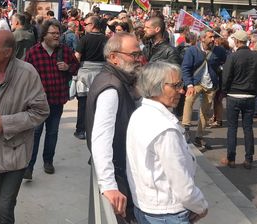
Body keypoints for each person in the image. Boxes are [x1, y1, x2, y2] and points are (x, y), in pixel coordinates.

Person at [0, 30, 49, 224]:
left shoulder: (27, 73)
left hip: (17, 150)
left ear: (8, 52)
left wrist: (6, 123)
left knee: (5, 205)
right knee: (2, 201)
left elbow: (41, 112)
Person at [126, 62, 208, 224]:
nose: (181, 90)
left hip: (145, 205)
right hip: (167, 212)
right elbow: (181, 182)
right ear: (156, 86)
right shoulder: (165, 128)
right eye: (175, 86)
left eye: (181, 84)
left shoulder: (140, 114)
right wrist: (200, 205)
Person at [85, 33, 142, 222]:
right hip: (118, 175)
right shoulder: (111, 87)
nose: (138, 59)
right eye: (133, 55)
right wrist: (109, 184)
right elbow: (101, 138)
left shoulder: (119, 80)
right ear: (114, 57)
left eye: (139, 53)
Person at [23, 20, 79, 179]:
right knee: (35, 133)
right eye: (53, 33)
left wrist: (68, 68)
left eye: (58, 33)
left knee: (52, 133)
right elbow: (24, 75)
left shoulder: (65, 51)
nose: (57, 36)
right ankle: (29, 167)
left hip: (57, 99)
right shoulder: (34, 52)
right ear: (44, 35)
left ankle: (48, 161)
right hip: (37, 103)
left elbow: (76, 67)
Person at [220, 30, 257, 169]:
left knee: (232, 128)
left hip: (234, 95)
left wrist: (225, 90)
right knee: (248, 128)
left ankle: (231, 158)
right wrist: (256, 92)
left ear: (237, 41)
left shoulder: (233, 57)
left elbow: (226, 76)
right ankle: (248, 159)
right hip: (250, 96)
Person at [181, 29, 226, 150]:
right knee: (189, 100)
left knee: (205, 111)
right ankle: (185, 128)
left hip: (211, 85)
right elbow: (185, 68)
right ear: (202, 39)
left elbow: (226, 63)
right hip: (196, 83)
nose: (213, 39)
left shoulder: (219, 51)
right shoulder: (192, 50)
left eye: (213, 37)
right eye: (210, 37)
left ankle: (199, 136)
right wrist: (189, 85)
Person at [74, 15, 107, 139]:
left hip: (85, 74)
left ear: (92, 25)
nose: (84, 26)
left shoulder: (84, 39)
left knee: (83, 104)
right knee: (98, 104)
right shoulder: (106, 39)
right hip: (101, 75)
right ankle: (95, 130)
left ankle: (81, 130)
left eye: (86, 24)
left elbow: (77, 56)